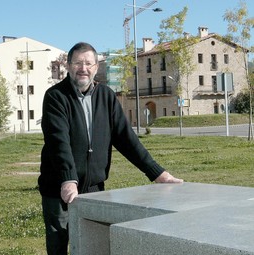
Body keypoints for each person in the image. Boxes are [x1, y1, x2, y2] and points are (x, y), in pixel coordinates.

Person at [38, 42, 183, 255]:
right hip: (58, 186)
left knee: (94, 245)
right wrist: (68, 179)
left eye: (88, 63)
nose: (83, 68)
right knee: (59, 242)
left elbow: (126, 138)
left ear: (97, 67)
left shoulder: (106, 96)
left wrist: (157, 172)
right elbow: (58, 141)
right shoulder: (55, 96)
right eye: (78, 62)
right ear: (68, 66)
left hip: (95, 188)